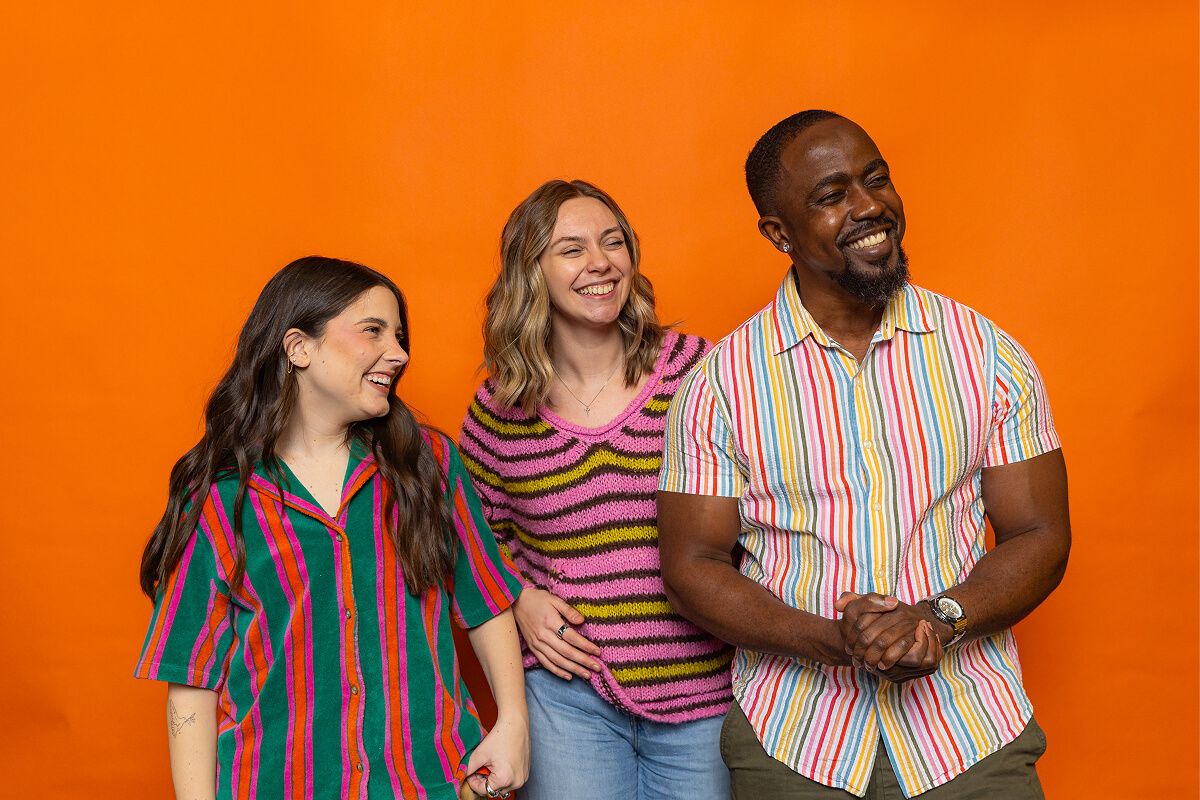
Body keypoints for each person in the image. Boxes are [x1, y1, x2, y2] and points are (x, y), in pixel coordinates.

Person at [657, 111, 1071, 799]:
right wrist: (838, 642)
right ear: (778, 232)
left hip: (969, 736)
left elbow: (1041, 534)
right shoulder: (720, 385)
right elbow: (691, 566)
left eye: (876, 180)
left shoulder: (989, 356)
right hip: (797, 742)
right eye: (831, 195)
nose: (869, 205)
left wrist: (938, 619)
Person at [136, 256, 529, 800]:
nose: (399, 353)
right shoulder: (220, 497)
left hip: (433, 782)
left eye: (399, 335)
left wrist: (513, 724)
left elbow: (486, 601)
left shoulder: (428, 464)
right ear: (299, 348)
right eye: (373, 331)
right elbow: (191, 684)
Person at [457, 180, 733, 800]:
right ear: (532, 272)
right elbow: (470, 539)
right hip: (566, 702)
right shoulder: (501, 409)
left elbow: (768, 511)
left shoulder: (699, 372)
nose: (600, 262)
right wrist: (520, 596)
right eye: (572, 249)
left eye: (613, 243)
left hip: (704, 696)